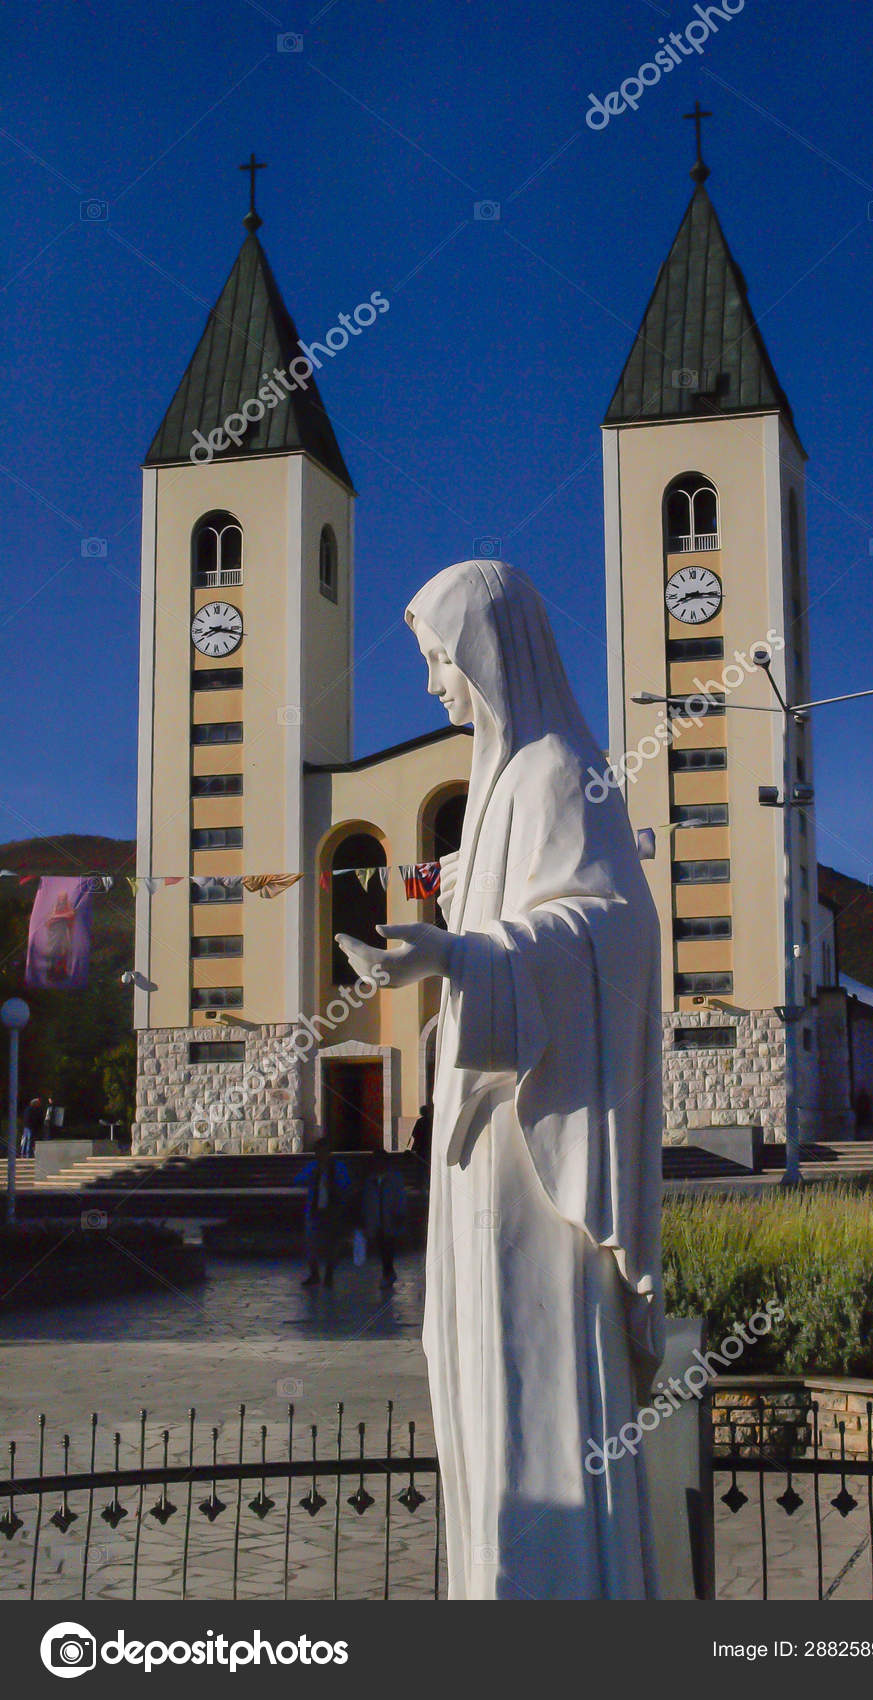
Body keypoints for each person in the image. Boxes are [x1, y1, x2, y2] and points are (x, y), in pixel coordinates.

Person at [337, 558, 663, 1601]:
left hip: (536, 1155)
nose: (434, 683)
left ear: (489, 650)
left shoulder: (564, 771)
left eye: (441, 657)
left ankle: (564, 1591)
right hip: (479, 1158)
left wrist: (461, 959)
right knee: (482, 1376)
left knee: (535, 1383)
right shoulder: (493, 790)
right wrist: (441, 957)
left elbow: (611, 927)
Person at [295, 1135, 351, 1289]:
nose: (320, 1155)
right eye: (318, 1152)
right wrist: (310, 1176)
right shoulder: (313, 1167)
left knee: (331, 1244)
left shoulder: (338, 1167)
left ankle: (329, 1275)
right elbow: (297, 1179)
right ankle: (314, 1274)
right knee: (311, 1243)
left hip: (332, 1211)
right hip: (315, 1211)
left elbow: (346, 1184)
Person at [360, 1148, 408, 1288]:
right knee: (381, 1247)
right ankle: (388, 1272)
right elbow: (367, 1200)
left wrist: (400, 1213)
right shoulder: (371, 1180)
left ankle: (388, 1273)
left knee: (388, 1246)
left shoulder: (394, 1178)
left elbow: (400, 1197)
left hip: (389, 1218)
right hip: (376, 1219)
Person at [408, 1102, 432, 1172]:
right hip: (428, 1146)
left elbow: (414, 1134)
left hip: (420, 1146)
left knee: (420, 1164)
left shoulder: (419, 1121)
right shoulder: (431, 1121)